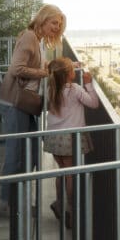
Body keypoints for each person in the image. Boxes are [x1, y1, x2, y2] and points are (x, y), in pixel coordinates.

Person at [0, 4, 66, 215]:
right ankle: (10, 204)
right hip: (15, 103)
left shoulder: (36, 40)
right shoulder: (29, 37)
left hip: (26, 104)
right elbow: (16, 68)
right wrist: (43, 74)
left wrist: (61, 66)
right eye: (54, 22)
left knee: (32, 154)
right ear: (43, 20)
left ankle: (17, 200)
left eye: (59, 24)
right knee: (16, 155)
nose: (57, 27)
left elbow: (38, 64)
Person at [42, 58, 100, 228]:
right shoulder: (75, 89)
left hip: (54, 136)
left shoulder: (51, 88)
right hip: (70, 138)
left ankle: (59, 204)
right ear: (69, 74)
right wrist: (89, 84)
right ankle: (71, 212)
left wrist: (70, 65)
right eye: (71, 69)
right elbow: (94, 103)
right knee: (70, 175)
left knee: (62, 171)